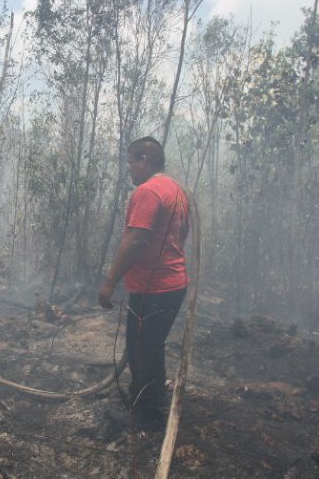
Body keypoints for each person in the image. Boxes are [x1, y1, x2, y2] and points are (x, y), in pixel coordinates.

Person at [98, 136, 189, 432]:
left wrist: (110, 282)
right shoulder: (175, 189)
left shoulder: (148, 192)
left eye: (130, 162)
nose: (129, 169)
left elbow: (136, 240)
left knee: (141, 349)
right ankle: (151, 401)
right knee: (150, 346)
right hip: (172, 285)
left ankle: (145, 416)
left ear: (144, 161)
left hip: (155, 289)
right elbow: (182, 232)